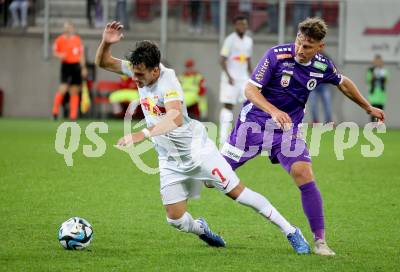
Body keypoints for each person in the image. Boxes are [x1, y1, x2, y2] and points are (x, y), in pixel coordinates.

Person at [95, 21, 311, 253]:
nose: (135, 79)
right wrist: (106, 43)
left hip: (198, 152)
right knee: (175, 219)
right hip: (169, 159)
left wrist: (143, 133)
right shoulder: (140, 69)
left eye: (140, 75)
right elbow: (103, 62)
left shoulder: (168, 82)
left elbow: (175, 117)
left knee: (238, 194)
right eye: (134, 73)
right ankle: (201, 229)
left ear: (155, 70)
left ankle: (291, 231)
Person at [221, 17, 385, 256]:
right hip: (252, 127)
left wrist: (367, 107)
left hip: (287, 130)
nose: (300, 49)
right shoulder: (276, 56)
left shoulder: (322, 66)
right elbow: (250, 89)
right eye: (299, 41)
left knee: (303, 172)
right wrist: (274, 111)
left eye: (307, 46)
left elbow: (343, 82)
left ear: (320, 47)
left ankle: (320, 241)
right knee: (213, 178)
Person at [218, 15, 253, 145]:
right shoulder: (230, 40)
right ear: (235, 26)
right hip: (230, 79)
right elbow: (222, 60)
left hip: (244, 78)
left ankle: (245, 135)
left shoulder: (249, 41)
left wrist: (253, 76)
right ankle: (223, 137)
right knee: (228, 105)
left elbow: (248, 60)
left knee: (250, 104)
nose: (242, 26)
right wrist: (229, 76)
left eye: (244, 24)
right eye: (240, 24)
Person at [52, 21, 87, 121]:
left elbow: (81, 55)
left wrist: (83, 68)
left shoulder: (77, 40)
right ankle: (55, 112)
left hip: (76, 66)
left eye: (69, 27)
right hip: (66, 66)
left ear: (72, 29)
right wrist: (60, 55)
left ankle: (73, 115)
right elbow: (55, 52)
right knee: (63, 89)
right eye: (65, 27)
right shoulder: (59, 40)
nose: (67, 29)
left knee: (74, 91)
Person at [366, 54, 388, 122]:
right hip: (373, 95)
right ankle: (372, 126)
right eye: (376, 61)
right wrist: (373, 76)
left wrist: (382, 77)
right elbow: (368, 80)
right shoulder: (370, 71)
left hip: (381, 96)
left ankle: (380, 127)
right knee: (372, 112)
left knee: (380, 113)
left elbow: (386, 81)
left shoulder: (384, 71)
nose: (378, 63)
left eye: (379, 61)